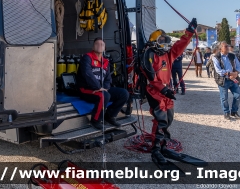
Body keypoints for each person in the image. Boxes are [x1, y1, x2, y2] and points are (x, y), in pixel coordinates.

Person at [139, 18, 197, 166]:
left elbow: (180, 45)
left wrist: (189, 31)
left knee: (169, 118)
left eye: (166, 40)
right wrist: (164, 90)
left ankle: (164, 144)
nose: (165, 43)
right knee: (161, 120)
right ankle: (156, 148)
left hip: (167, 92)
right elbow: (151, 77)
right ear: (154, 41)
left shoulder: (168, 54)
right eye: (162, 40)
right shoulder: (149, 54)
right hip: (155, 92)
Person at [76, 37, 129, 129]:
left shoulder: (106, 62)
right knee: (104, 95)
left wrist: (105, 88)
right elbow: (87, 73)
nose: (99, 45)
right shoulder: (87, 57)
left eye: (102, 44)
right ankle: (95, 120)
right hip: (86, 89)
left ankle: (110, 116)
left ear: (105, 48)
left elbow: (108, 78)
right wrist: (98, 87)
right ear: (93, 47)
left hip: (100, 89)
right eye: (97, 44)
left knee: (124, 93)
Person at [212, 41, 240, 120]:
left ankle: (234, 112)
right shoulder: (216, 57)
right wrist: (229, 74)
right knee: (224, 98)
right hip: (223, 80)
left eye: (227, 46)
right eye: (225, 46)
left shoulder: (232, 56)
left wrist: (236, 73)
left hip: (233, 79)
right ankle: (226, 112)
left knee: (238, 95)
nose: (227, 47)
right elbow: (218, 70)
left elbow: (238, 65)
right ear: (221, 49)